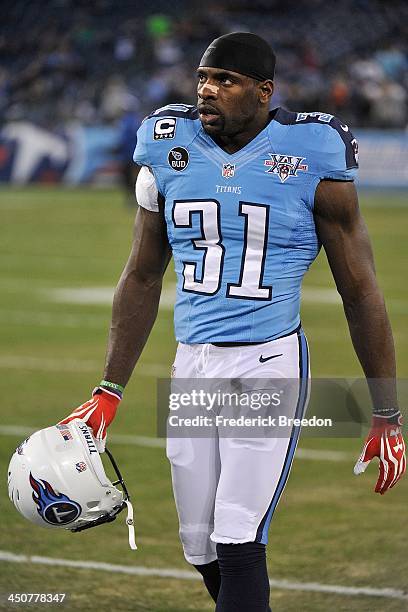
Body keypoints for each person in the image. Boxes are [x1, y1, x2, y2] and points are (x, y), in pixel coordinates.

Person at [60, 33, 406, 612]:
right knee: (199, 545)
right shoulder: (169, 143)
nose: (206, 90)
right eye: (203, 77)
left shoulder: (311, 151)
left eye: (226, 80)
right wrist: (109, 388)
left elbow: (361, 290)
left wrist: (387, 412)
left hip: (265, 363)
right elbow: (142, 277)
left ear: (264, 92)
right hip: (192, 365)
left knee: (239, 537)